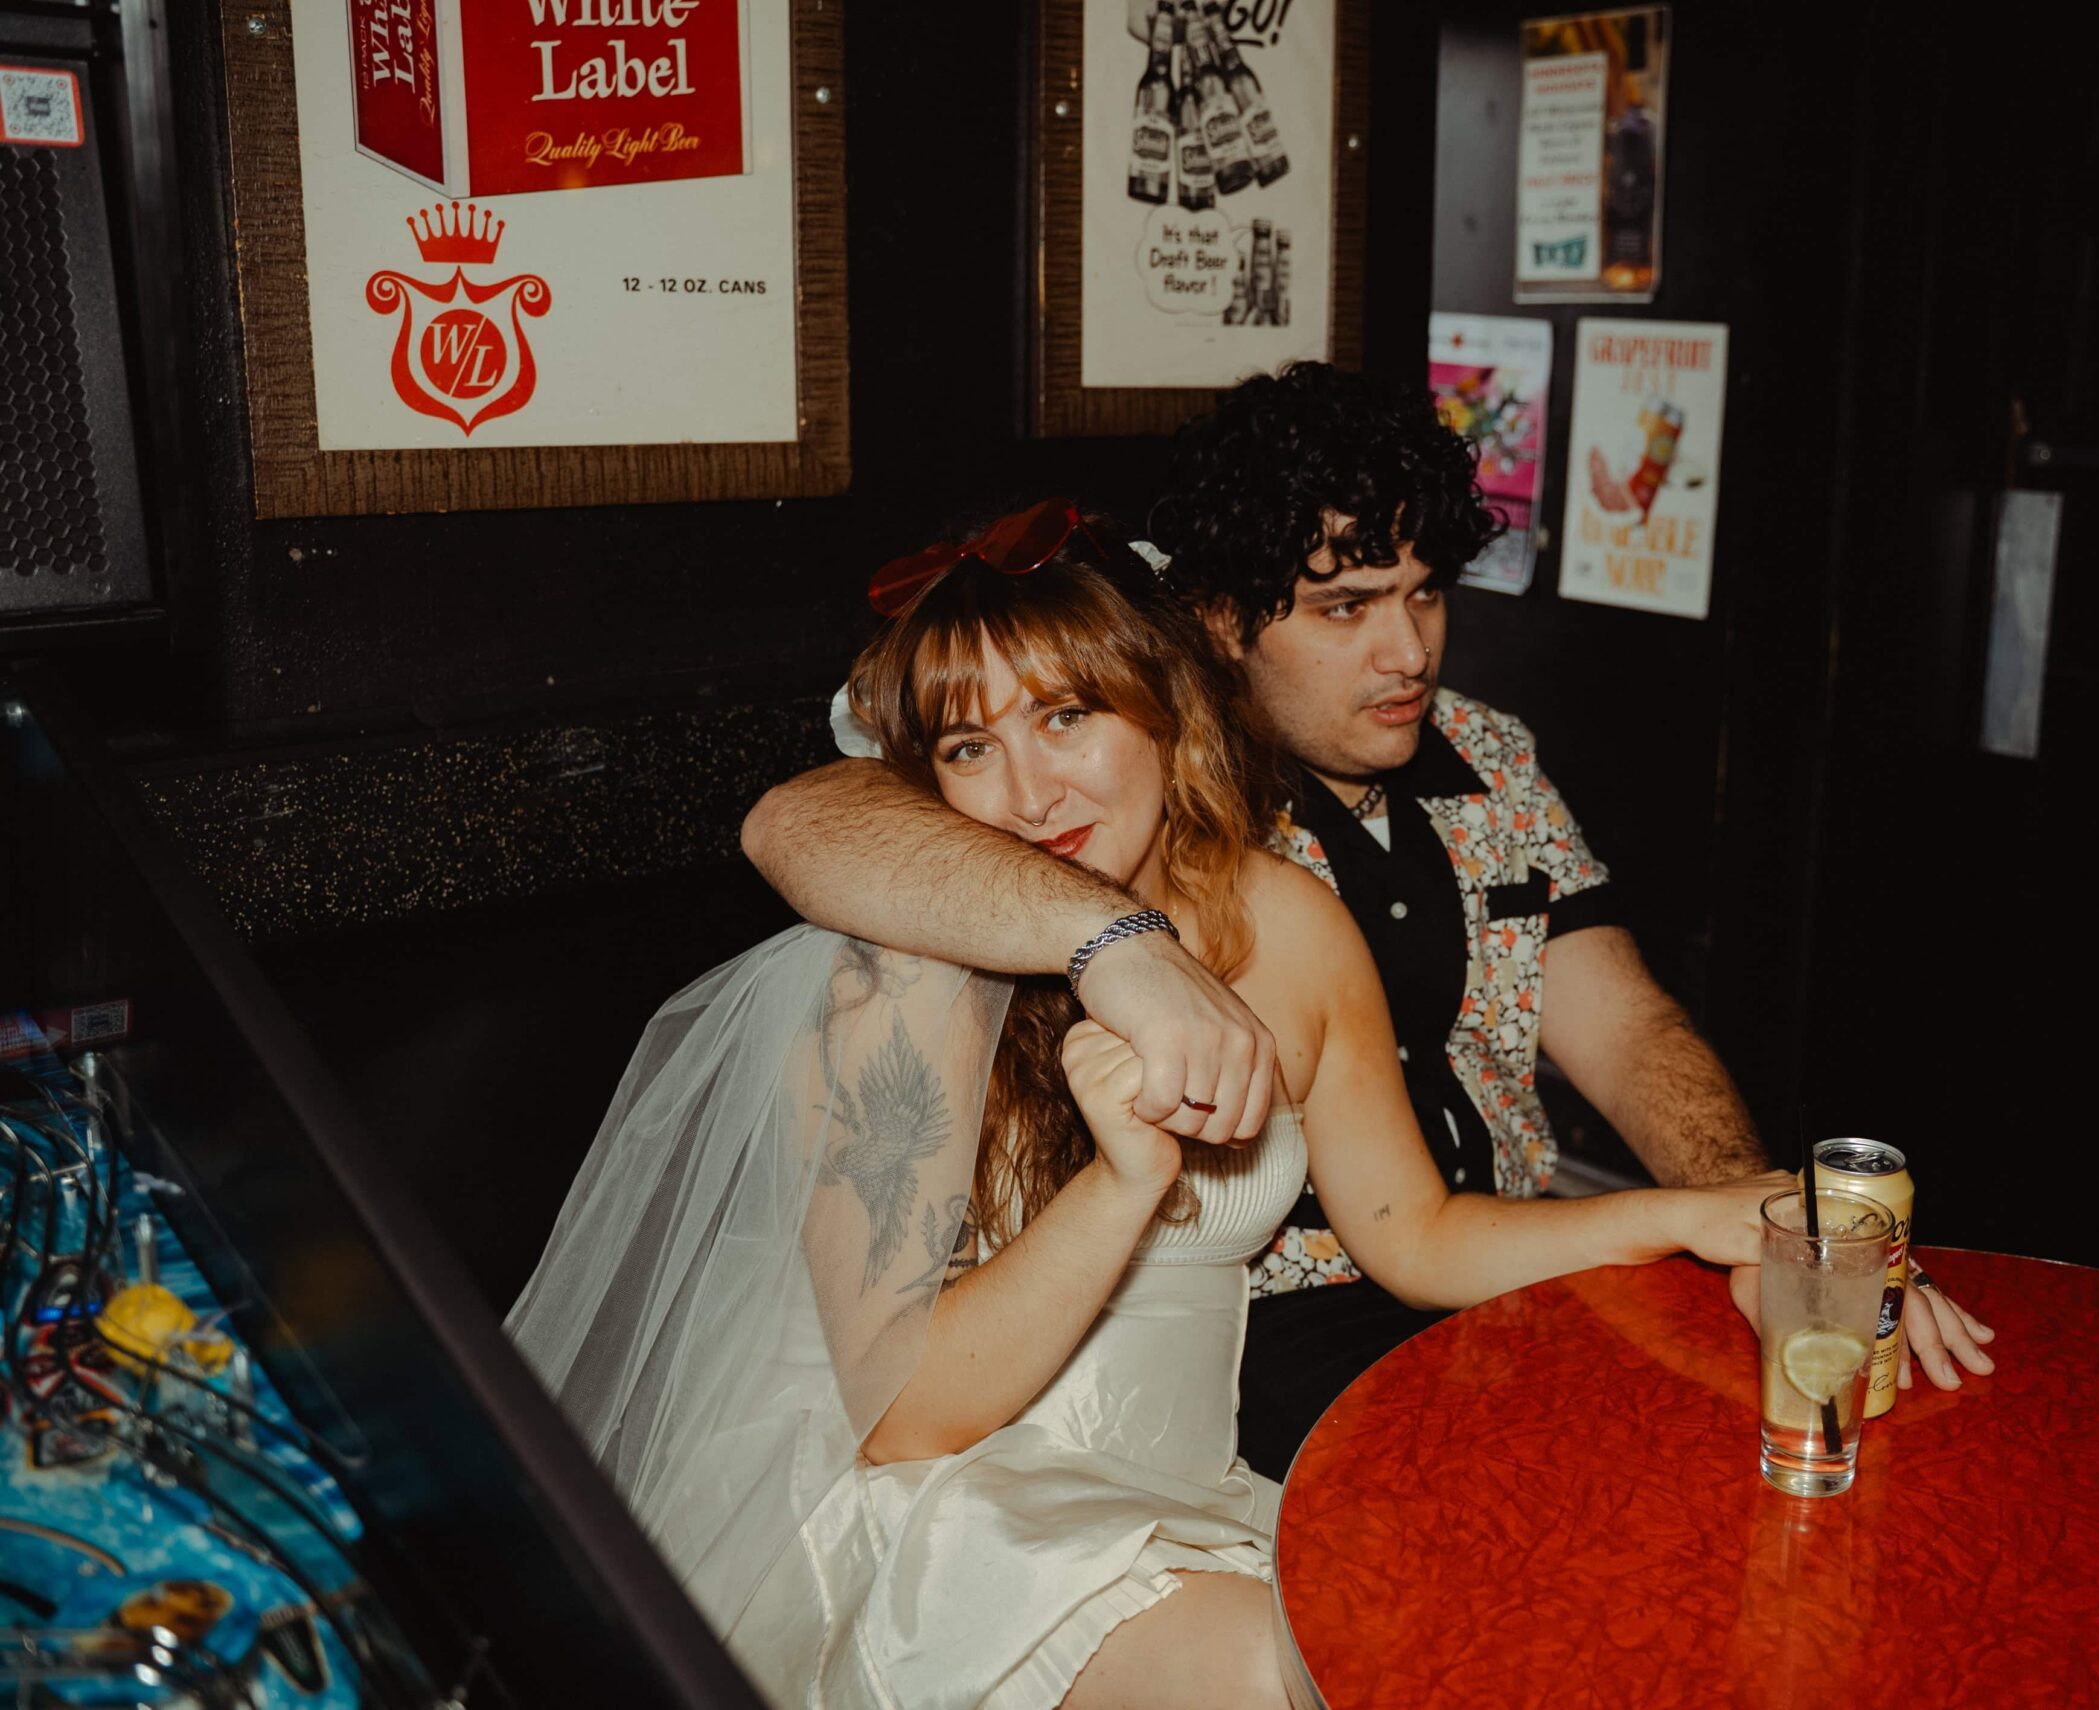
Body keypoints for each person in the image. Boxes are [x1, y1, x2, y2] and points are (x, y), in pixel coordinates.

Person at [511, 511, 1796, 1708]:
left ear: (1166, 714)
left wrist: (1684, 1215)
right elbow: (905, 1419)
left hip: (1182, 1493)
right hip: (955, 1513)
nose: (1029, 794)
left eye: (1066, 718)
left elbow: (1415, 1233)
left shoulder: (1285, 923)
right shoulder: (896, 991)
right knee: (1275, 1671)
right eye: (969, 748)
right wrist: (1121, 1183)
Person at [741, 365, 1995, 1471]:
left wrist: (1763, 1234)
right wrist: (1117, 943)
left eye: (1427, 594)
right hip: (1275, 1328)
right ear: (1218, 624)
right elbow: (806, 821)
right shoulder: (1132, 815)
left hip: (1511, 1254)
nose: (1408, 652)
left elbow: (1628, 1033)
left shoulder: (1487, 763)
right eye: (1345, 606)